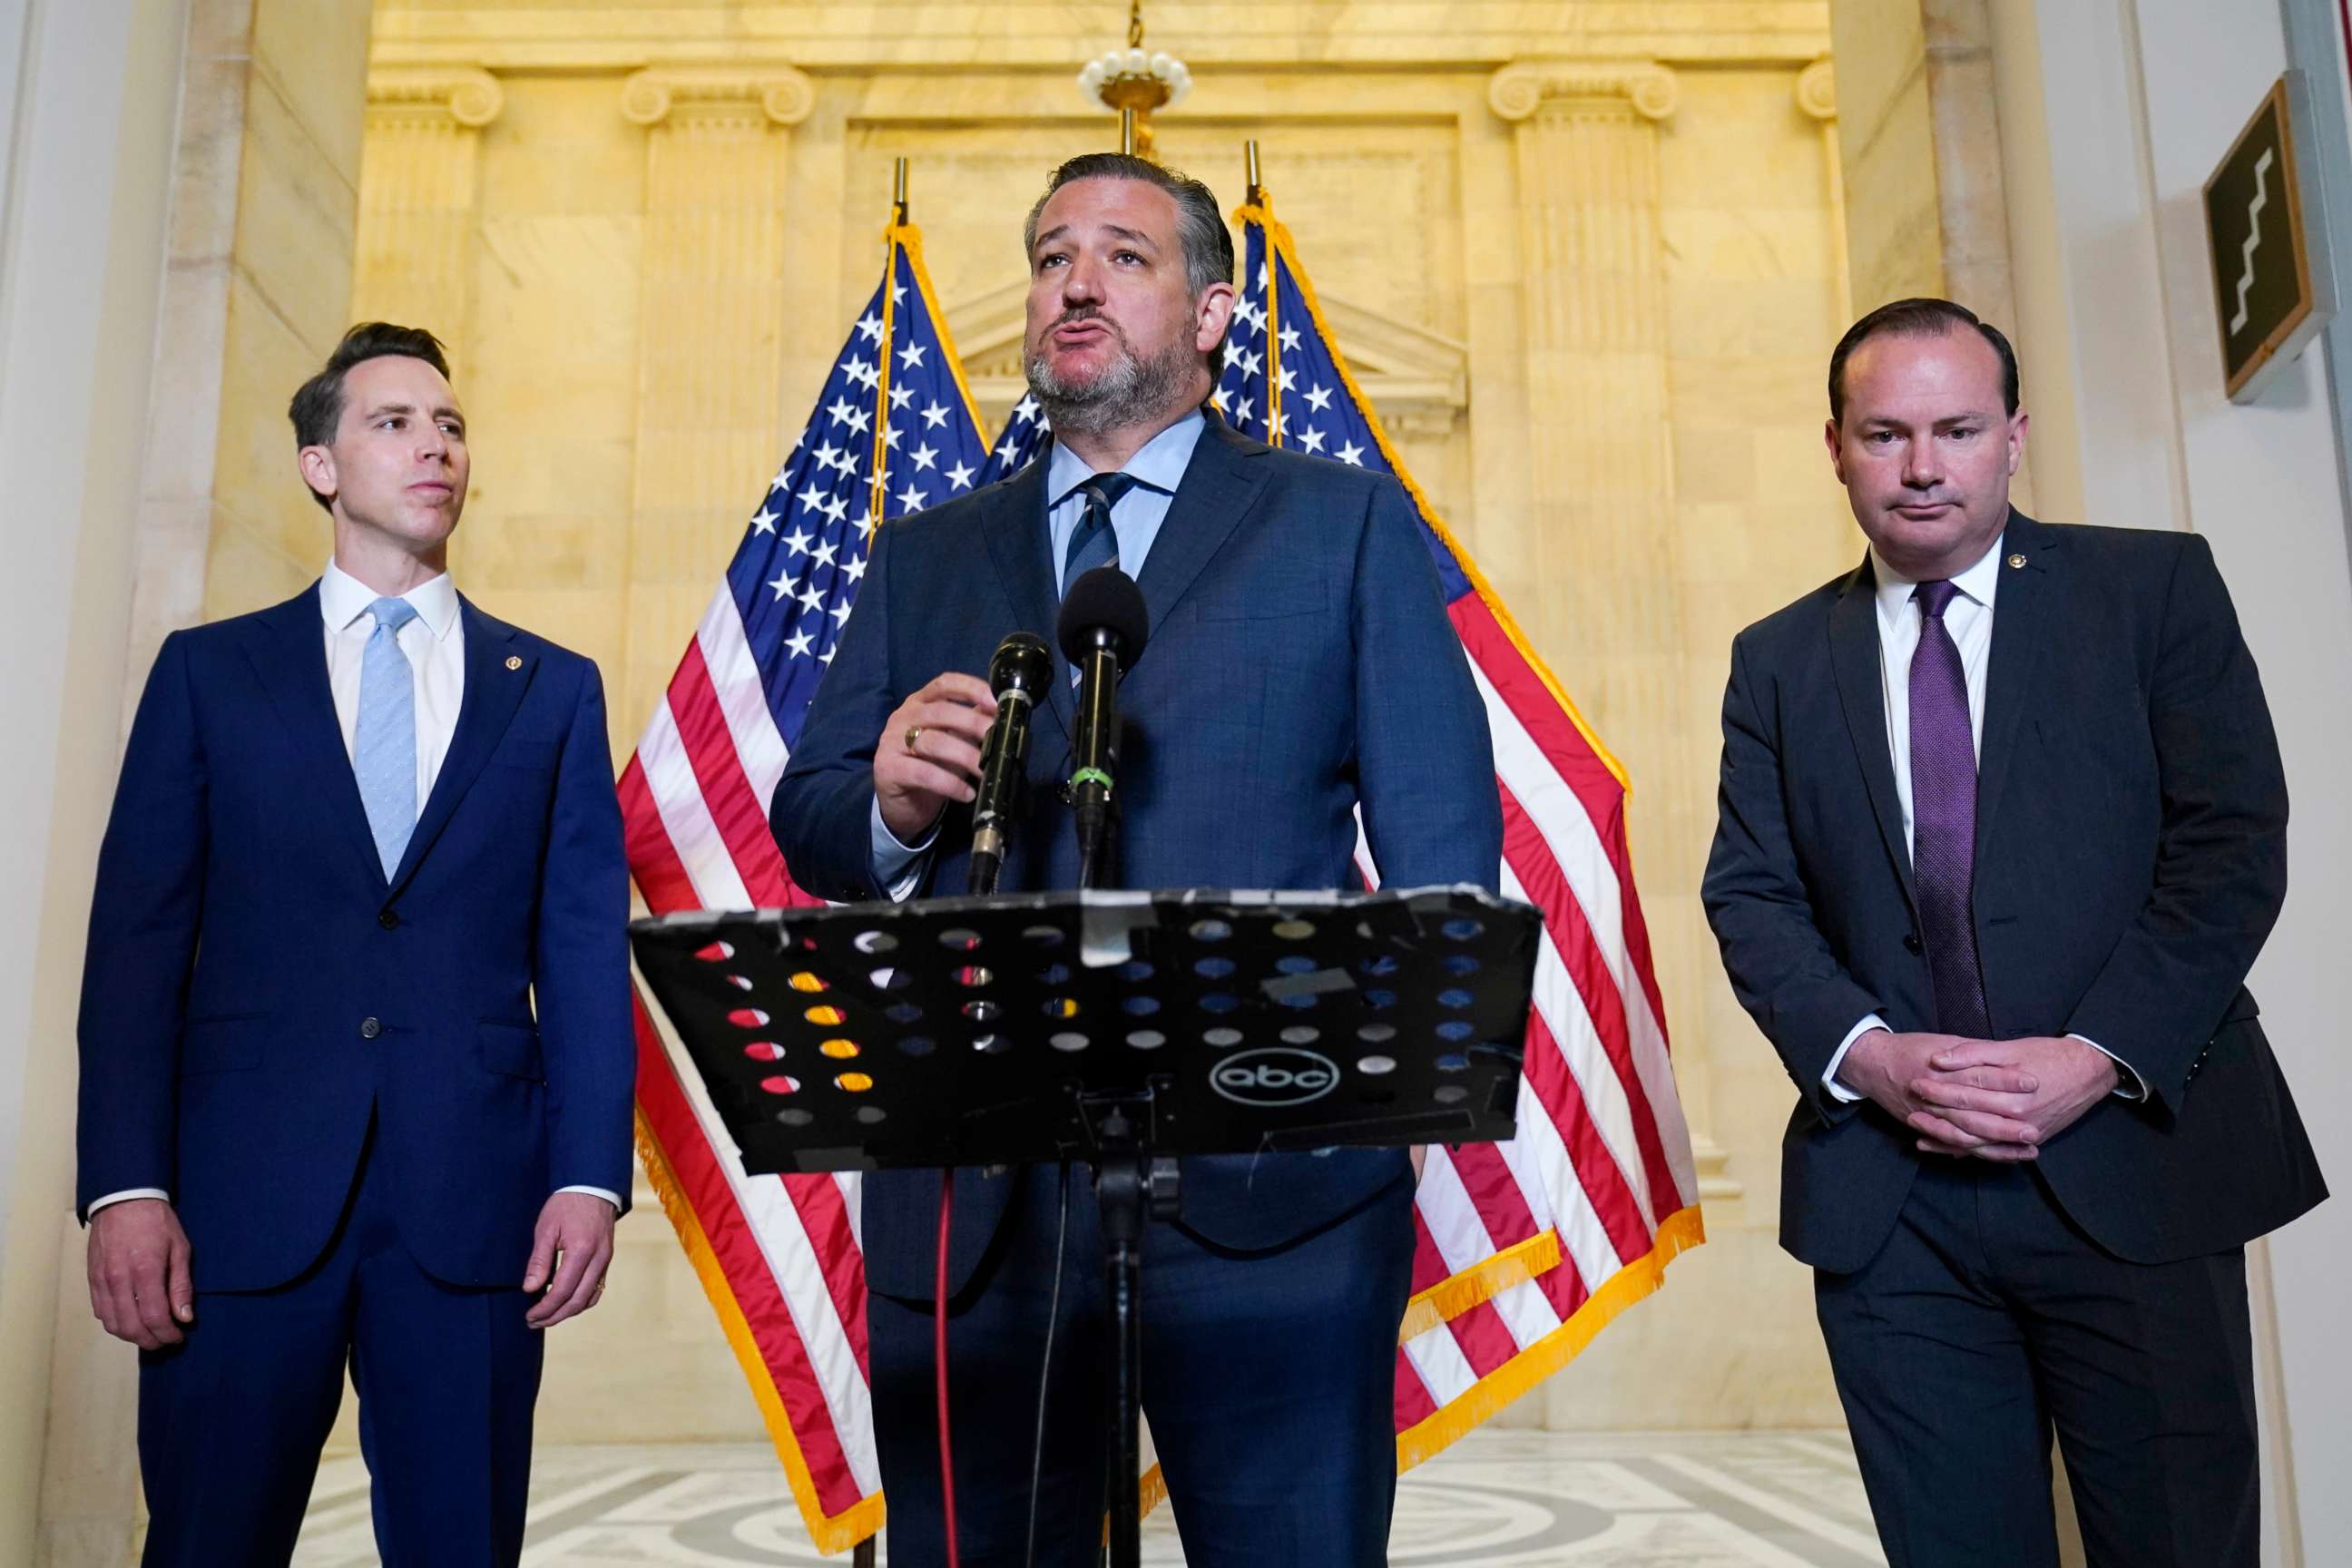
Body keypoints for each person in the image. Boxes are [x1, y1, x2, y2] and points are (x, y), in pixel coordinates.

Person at [771, 152, 1501, 1566]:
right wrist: (892, 804)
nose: (1074, 285)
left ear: (1215, 312)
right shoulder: (929, 551)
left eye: (1120, 255)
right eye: (1050, 259)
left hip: (1276, 1194)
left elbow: (1442, 859)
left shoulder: (1339, 526)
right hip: (979, 1212)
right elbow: (814, 819)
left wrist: (1391, 1114)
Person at [1702, 297, 2328, 1567]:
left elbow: (2229, 849)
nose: (1923, 466)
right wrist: (1871, 1056)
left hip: (2135, 1165)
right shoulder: (1776, 658)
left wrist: (2094, 1053)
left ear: (2013, 437)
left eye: (1957, 429)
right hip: (1895, 1204)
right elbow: (1751, 894)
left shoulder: (2152, 592)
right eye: (1886, 434)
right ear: (1835, 446)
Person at [76, 322, 636, 1565]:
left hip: (474, 1206)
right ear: (320, 465)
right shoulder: (210, 675)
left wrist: (589, 1176)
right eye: (393, 423)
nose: (433, 446)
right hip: (235, 1208)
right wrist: (127, 1185)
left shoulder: (551, 689)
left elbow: (587, 951)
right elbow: (135, 949)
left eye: (449, 425)